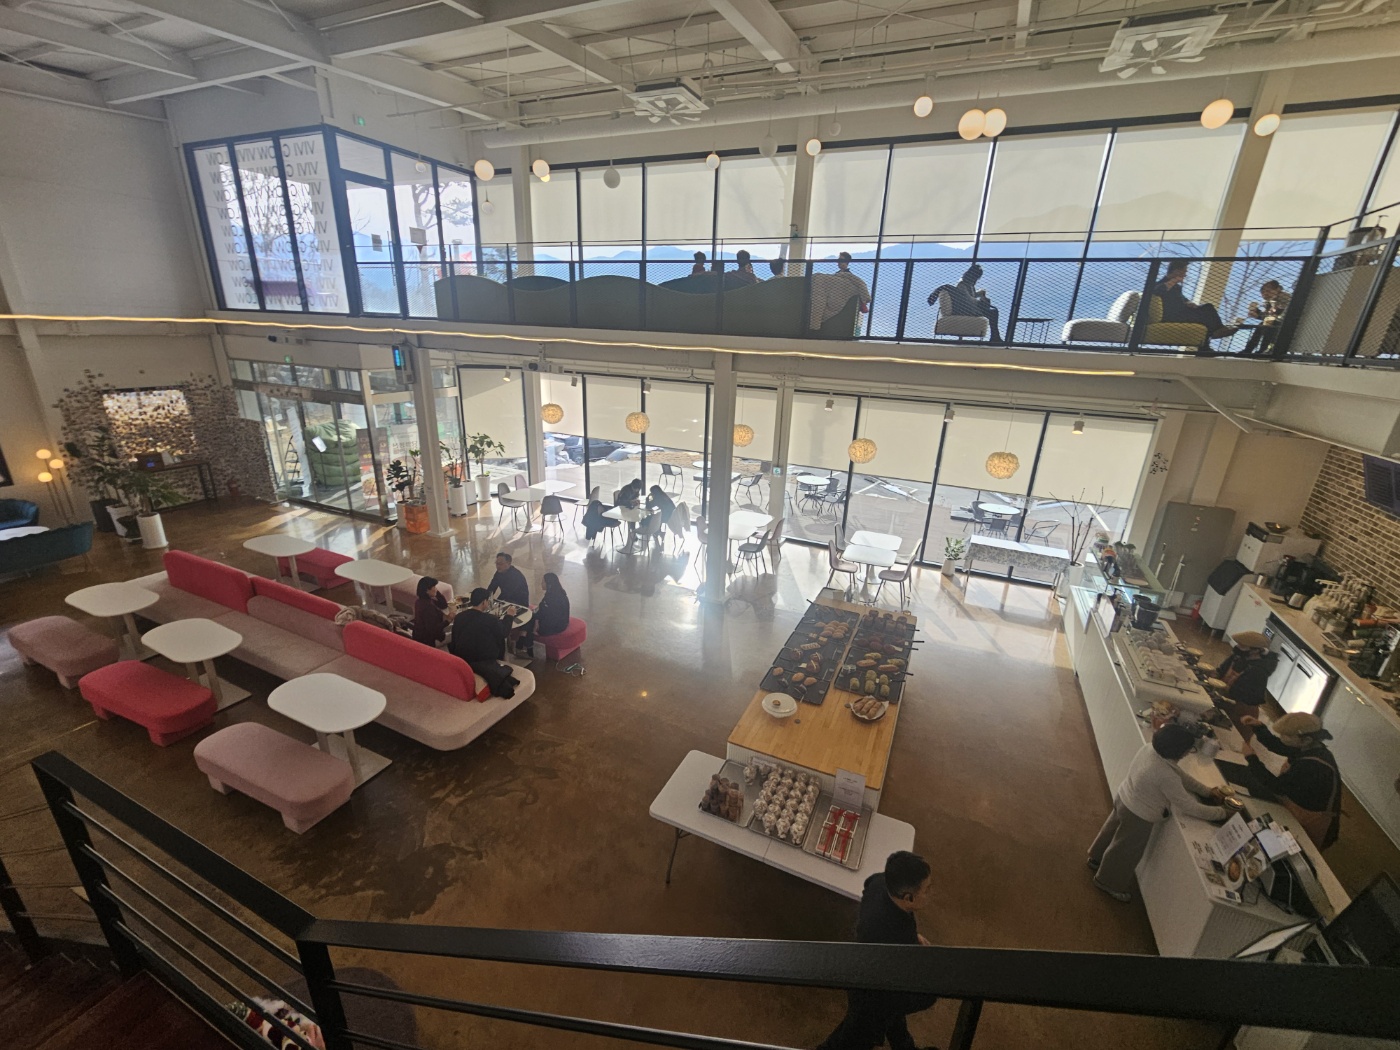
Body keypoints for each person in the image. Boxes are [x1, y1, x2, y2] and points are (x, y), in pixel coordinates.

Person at [1088, 723, 1228, 902]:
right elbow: (1188, 806)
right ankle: (1107, 882)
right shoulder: (1165, 775)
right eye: (1188, 749)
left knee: (1110, 831)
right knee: (1125, 851)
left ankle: (1095, 858)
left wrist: (1207, 792)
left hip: (1124, 797)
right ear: (1178, 751)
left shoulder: (1149, 750)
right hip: (1138, 815)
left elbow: (1181, 776)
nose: (1188, 753)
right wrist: (1222, 813)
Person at [817, 851, 937, 1050]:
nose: (931, 893)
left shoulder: (880, 883)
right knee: (851, 1039)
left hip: (866, 970)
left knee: (894, 1023)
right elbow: (899, 990)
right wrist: (930, 992)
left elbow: (868, 885)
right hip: (872, 995)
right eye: (927, 890)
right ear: (908, 898)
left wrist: (913, 935)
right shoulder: (894, 942)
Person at [1240, 712, 1342, 849]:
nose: (1282, 737)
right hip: (1298, 804)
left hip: (1312, 820)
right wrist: (1258, 727)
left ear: (1306, 740)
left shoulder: (1312, 767)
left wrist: (1251, 759)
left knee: (1298, 847)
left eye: (1287, 735)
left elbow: (1276, 786)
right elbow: (1279, 745)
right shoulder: (1310, 747)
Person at [448, 587, 519, 698]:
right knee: (500, 639)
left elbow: (455, 636)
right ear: (484, 602)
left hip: (461, 655)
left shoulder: (459, 617)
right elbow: (504, 632)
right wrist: (509, 615)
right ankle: (502, 660)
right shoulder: (490, 619)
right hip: (483, 657)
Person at [1209, 631, 1279, 736]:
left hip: (1242, 712)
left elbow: (1245, 696)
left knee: (1231, 738)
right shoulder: (1236, 657)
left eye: (1242, 646)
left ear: (1255, 651)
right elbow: (1221, 671)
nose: (1237, 647)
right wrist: (1215, 674)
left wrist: (1223, 691)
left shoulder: (1259, 672)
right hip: (1225, 701)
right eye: (1238, 644)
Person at [1153, 260, 1235, 342]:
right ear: (1177, 271)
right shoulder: (1159, 284)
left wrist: (1188, 303)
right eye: (1184, 271)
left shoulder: (1176, 287)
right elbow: (1157, 291)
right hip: (1172, 315)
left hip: (1183, 312)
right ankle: (1214, 334)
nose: (1185, 275)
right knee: (1204, 317)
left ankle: (1217, 331)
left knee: (1208, 307)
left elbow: (1182, 298)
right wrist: (1174, 280)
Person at [929, 264, 1001, 344]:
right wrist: (980, 302)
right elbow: (968, 299)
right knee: (993, 312)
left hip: (968, 308)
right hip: (963, 310)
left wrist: (981, 294)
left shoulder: (969, 285)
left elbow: (971, 296)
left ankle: (995, 336)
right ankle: (995, 337)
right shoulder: (962, 284)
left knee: (993, 311)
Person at [520, 571, 571, 653]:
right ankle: (523, 642)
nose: (541, 584)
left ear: (549, 584)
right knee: (531, 616)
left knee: (530, 620)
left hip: (555, 626)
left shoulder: (555, 598)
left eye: (543, 582)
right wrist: (537, 618)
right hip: (552, 620)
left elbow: (551, 617)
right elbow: (542, 607)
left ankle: (525, 645)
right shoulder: (552, 593)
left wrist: (537, 622)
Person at [1241, 280, 1292, 357]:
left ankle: (1261, 350)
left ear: (1277, 289)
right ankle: (1250, 350)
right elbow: (1269, 316)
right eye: (1263, 292)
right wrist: (1258, 314)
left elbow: (1278, 314)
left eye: (1268, 291)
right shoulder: (1269, 302)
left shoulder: (1283, 298)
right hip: (1276, 322)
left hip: (1285, 324)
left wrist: (1261, 315)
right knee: (1262, 325)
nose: (1265, 294)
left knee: (1266, 325)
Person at [411, 575, 453, 647]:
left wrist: (436, 593)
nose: (436, 589)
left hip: (421, 635)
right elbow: (433, 630)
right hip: (429, 640)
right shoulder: (428, 607)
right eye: (434, 587)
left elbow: (443, 605)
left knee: (455, 626)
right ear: (427, 590)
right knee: (458, 631)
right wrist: (448, 621)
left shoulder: (421, 601)